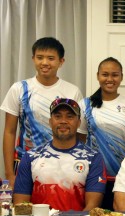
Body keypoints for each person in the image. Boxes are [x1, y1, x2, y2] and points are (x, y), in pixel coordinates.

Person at [1, 37, 83, 188]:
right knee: (23, 208)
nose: (45, 63)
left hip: (62, 163)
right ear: (33, 59)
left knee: (60, 210)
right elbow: (9, 132)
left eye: (51, 58)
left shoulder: (72, 91)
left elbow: (77, 132)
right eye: (40, 57)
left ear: (61, 61)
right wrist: (9, 174)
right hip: (26, 161)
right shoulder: (19, 89)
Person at [13, 98, 107, 211]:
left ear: (79, 123)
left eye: (70, 116)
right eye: (58, 116)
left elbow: (92, 207)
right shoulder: (30, 157)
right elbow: (20, 206)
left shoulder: (94, 158)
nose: (63, 121)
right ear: (50, 121)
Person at [77, 57, 125, 210]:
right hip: (93, 176)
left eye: (115, 75)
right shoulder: (85, 105)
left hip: (123, 176)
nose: (110, 79)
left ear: (121, 77)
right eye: (105, 74)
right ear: (97, 76)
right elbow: (81, 142)